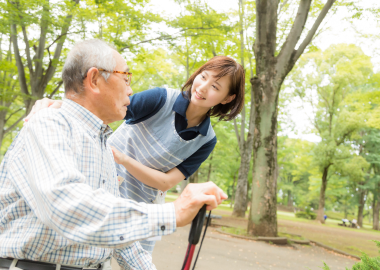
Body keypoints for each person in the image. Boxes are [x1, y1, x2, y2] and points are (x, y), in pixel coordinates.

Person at [0, 39, 227, 270]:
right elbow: (67, 207)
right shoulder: (49, 124)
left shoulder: (103, 147)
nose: (131, 89)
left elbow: (116, 237)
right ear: (94, 79)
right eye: (125, 78)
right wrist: (172, 213)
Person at [28, 56, 245, 254]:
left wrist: (123, 159)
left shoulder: (206, 140)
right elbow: (105, 110)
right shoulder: (161, 98)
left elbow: (166, 181)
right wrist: (61, 106)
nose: (203, 87)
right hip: (103, 187)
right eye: (203, 77)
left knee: (137, 261)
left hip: (145, 208)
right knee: (80, 253)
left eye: (215, 86)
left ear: (227, 98)